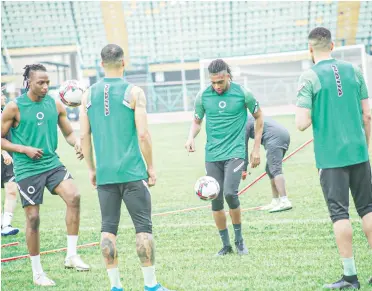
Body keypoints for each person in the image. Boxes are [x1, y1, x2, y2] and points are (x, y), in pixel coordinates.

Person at [80, 44, 174, 291]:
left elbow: (84, 137)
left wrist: (91, 169)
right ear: (124, 62)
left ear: (101, 64)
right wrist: (151, 167)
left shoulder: (87, 95)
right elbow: (143, 134)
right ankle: (151, 285)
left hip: (106, 175)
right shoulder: (134, 92)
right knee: (143, 229)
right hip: (132, 172)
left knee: (107, 230)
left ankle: (115, 286)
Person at [295, 27, 372, 289]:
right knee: (368, 210)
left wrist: (319, 114)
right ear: (333, 46)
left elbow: (301, 123)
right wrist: (365, 146)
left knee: (340, 215)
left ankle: (350, 277)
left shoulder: (308, 77)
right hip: (359, 153)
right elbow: (367, 115)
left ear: (310, 49)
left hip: (331, 158)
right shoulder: (355, 71)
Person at [1, 64, 90, 287]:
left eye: (48, 82)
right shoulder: (14, 107)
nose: (45, 86)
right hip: (27, 169)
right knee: (33, 219)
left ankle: (71, 255)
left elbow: (68, 132)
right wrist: (24, 149)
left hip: (51, 163)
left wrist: (77, 142)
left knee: (74, 196)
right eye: (40, 82)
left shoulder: (55, 104)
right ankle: (37, 272)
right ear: (28, 83)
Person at [185, 59, 264, 256]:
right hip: (212, 155)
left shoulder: (243, 94)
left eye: (220, 82)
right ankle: (226, 245)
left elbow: (259, 118)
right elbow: (196, 122)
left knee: (230, 193)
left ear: (228, 76)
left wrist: (255, 149)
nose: (217, 86)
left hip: (235, 152)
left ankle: (239, 241)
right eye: (213, 82)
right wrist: (190, 137)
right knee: (215, 199)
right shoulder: (203, 96)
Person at [242, 114, 292, 212]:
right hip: (281, 134)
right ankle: (275, 201)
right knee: (270, 169)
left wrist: (243, 168)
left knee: (275, 169)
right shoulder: (247, 117)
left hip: (275, 137)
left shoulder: (242, 121)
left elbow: (243, 145)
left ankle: (284, 201)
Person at [1, 91, 19, 236]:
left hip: (9, 160)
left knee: (12, 190)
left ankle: (6, 224)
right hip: (4, 155)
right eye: (1, 94)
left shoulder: (5, 112)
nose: (4, 97)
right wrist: (3, 152)